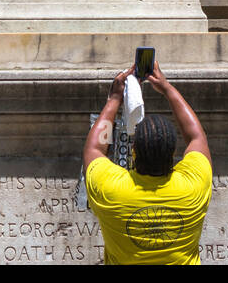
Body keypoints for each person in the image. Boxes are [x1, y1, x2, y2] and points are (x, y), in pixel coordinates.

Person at [83, 59, 212, 265]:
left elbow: (95, 149)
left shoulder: (113, 190)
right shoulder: (192, 187)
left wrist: (114, 100)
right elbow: (196, 137)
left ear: (134, 151)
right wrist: (167, 88)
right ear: (173, 152)